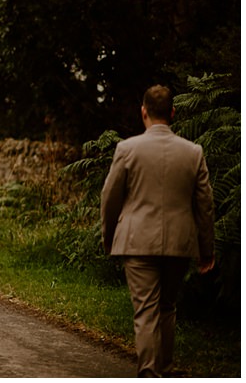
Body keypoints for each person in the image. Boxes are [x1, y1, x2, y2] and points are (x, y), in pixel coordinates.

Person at [100, 85, 215, 377]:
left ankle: (150, 371)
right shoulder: (193, 152)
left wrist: (109, 237)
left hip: (137, 242)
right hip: (179, 243)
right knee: (167, 306)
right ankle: (165, 367)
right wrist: (206, 250)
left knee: (145, 309)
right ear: (173, 113)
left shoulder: (127, 149)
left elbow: (109, 198)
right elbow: (205, 204)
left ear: (143, 112)